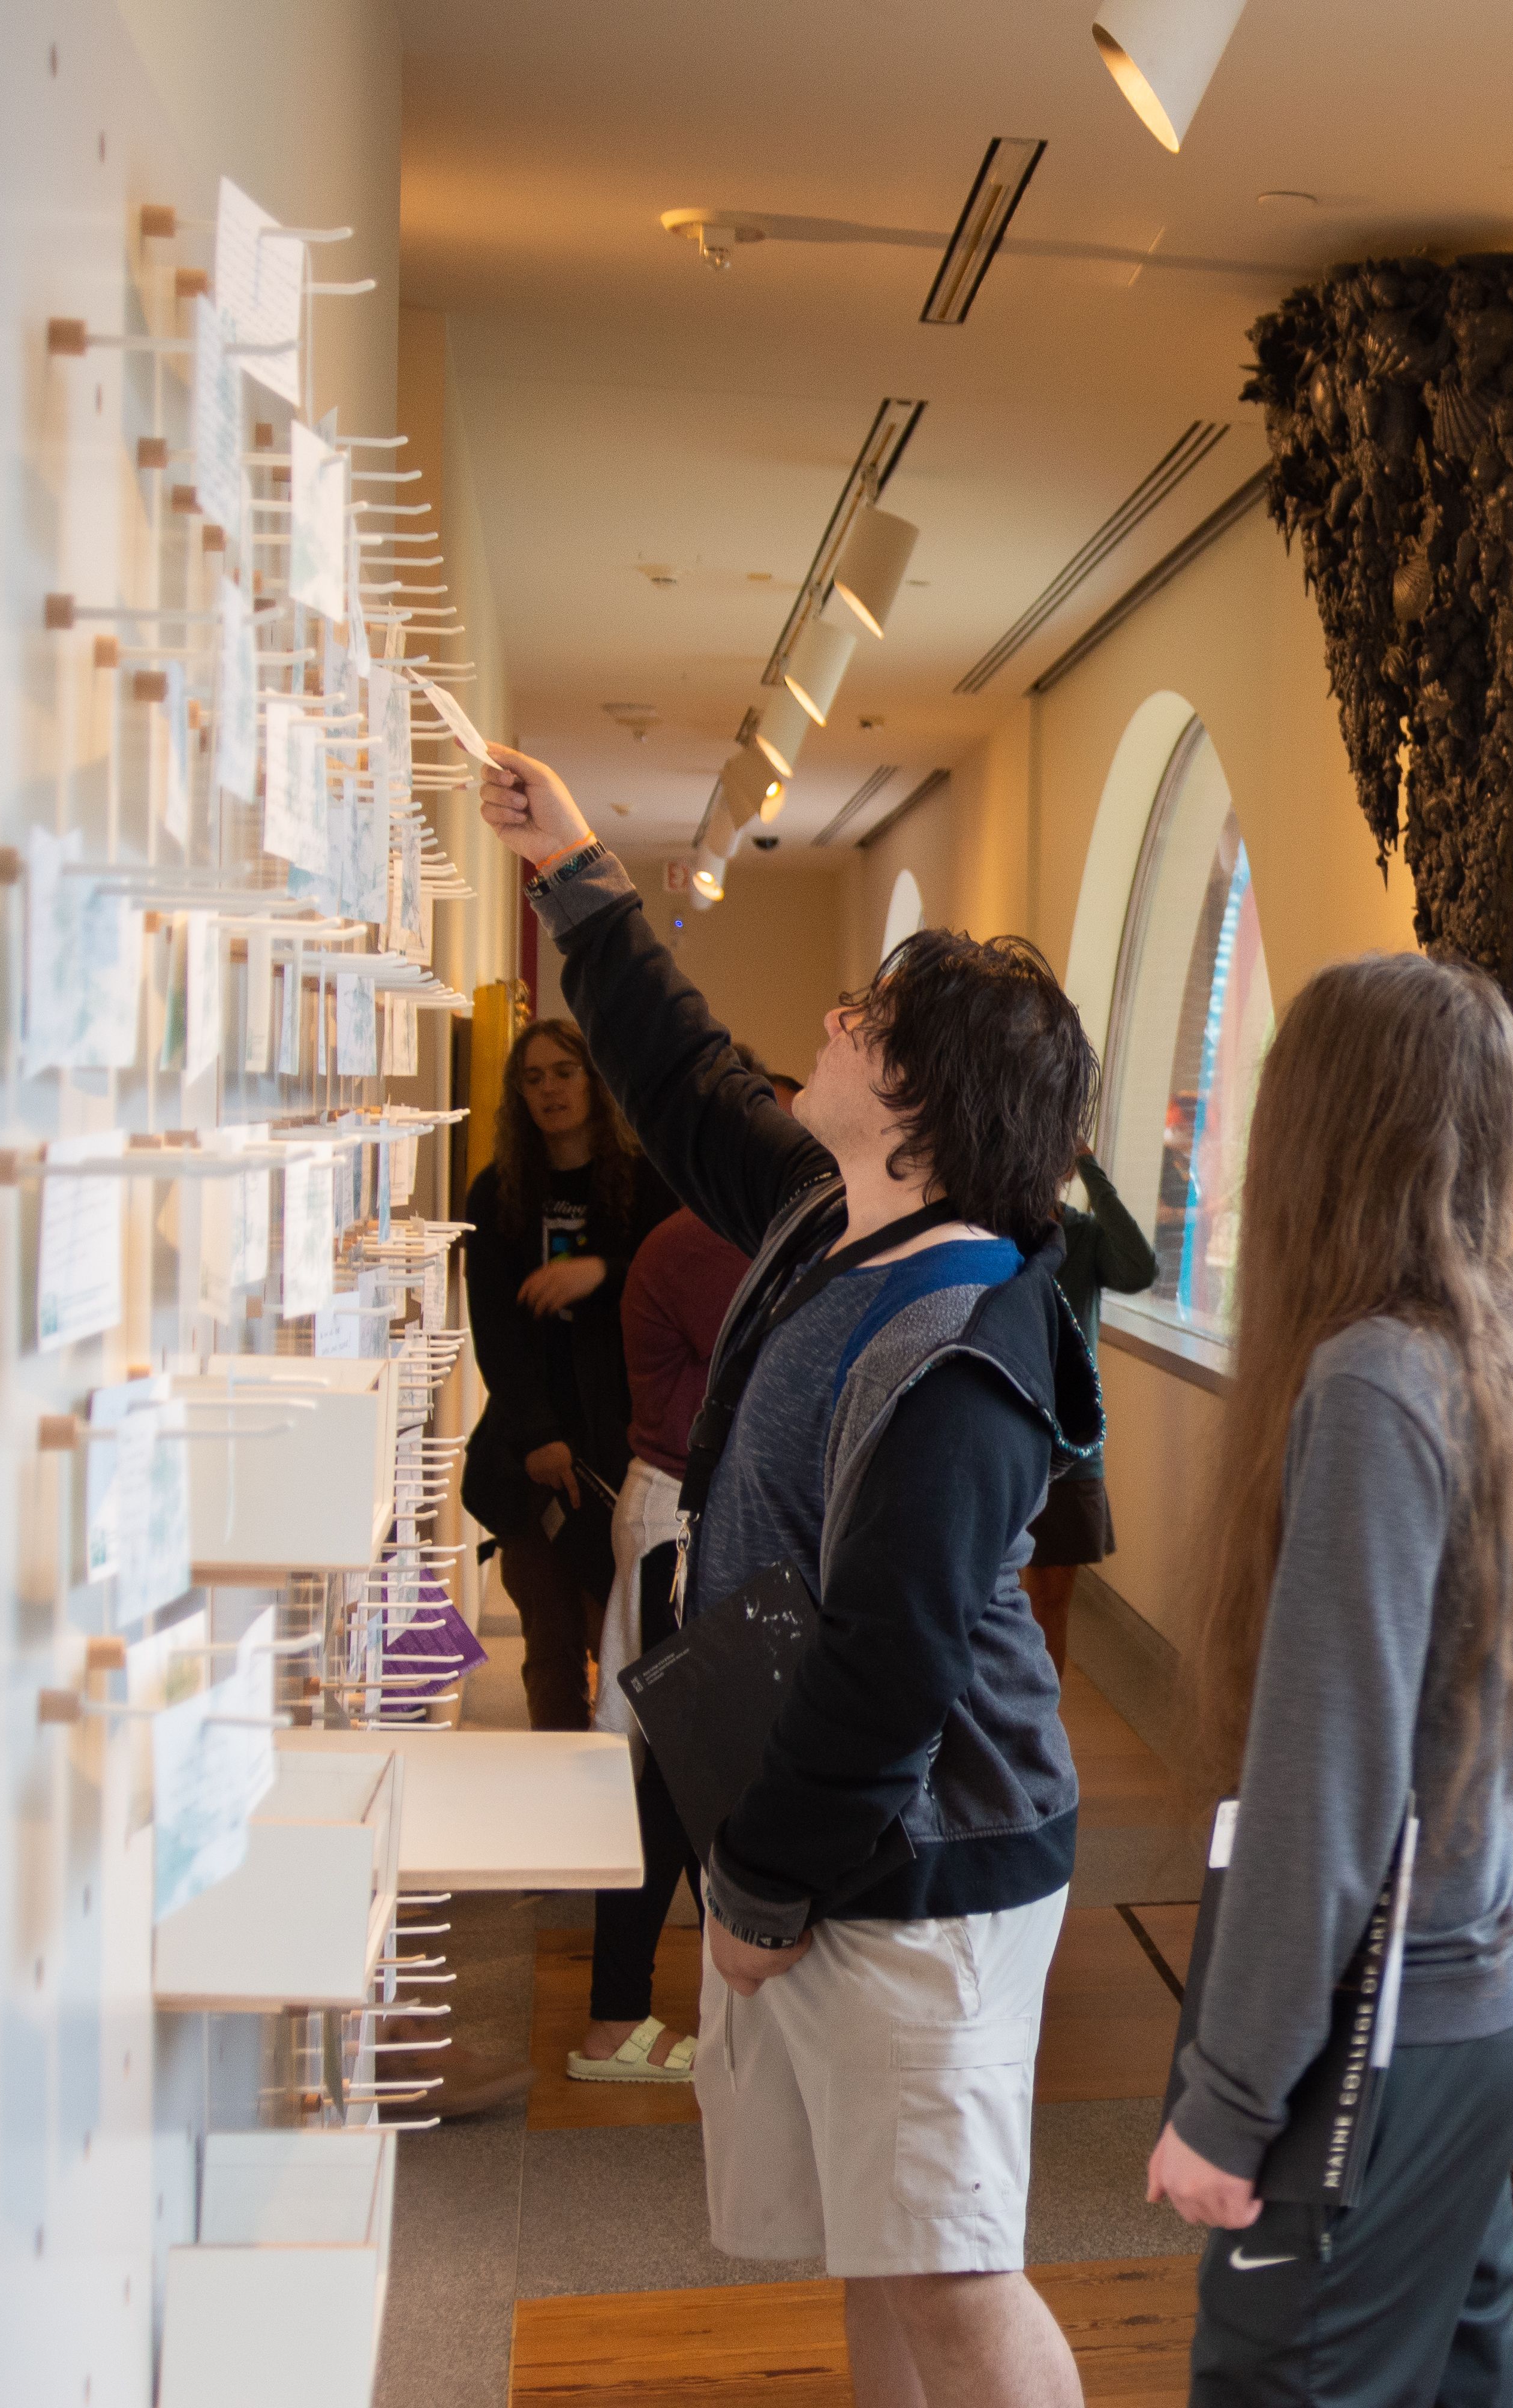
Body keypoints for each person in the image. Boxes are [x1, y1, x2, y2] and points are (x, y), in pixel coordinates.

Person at [479, 745, 1099, 2408]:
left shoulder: (964, 1334)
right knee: (880, 2247)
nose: (829, 1025)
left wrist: (756, 1892)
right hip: (852, 1842)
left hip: (928, 1866)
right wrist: (575, 870)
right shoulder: (835, 1215)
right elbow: (685, 1084)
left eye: (864, 1019)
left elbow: (890, 1662)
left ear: (923, 1099)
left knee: (956, 2270)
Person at [1144, 950, 1513, 2408]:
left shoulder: (1368, 1381)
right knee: (1460, 2374)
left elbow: (1322, 1787)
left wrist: (1224, 2104)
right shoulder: (1494, 1361)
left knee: (1289, 2377)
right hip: (1489, 1999)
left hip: (1388, 2033)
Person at [568, 1057, 802, 2087]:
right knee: (686, 1784)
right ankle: (633, 2017)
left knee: (682, 1781)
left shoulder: (723, 1233)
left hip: (688, 1520)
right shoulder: (711, 1241)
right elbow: (784, 1370)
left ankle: (665, 2012)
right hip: (681, 1527)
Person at [459, 1016, 674, 1732]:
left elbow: (669, 1289)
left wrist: (602, 1273)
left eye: (564, 1071)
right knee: (549, 1644)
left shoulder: (645, 1184)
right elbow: (495, 1334)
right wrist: (537, 1436)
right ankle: (554, 1795)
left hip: (623, 1446)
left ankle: (620, 1803)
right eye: (532, 1076)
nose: (548, 1088)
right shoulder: (496, 1195)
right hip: (531, 1451)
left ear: (595, 1080)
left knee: (618, 1638)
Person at [1018, 1148, 1159, 1676]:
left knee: (1051, 1599)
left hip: (1071, 1444)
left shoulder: (1087, 1239)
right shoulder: (998, 1228)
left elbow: (1141, 1266)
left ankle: (1039, 1733)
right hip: (1008, 1431)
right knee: (998, 1600)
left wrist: (1094, 1175)